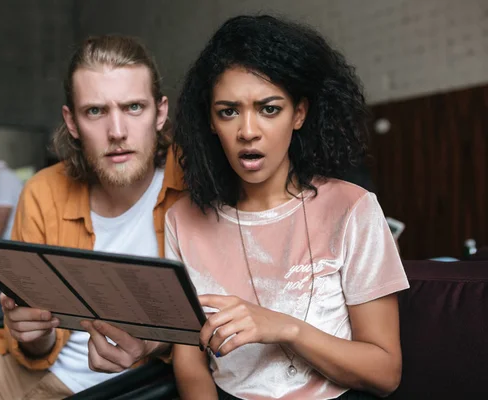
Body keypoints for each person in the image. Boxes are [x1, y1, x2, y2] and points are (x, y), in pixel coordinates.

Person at [0, 34, 183, 399]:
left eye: (134, 107)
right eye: (95, 111)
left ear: (161, 112)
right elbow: (32, 344)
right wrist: (35, 336)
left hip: (122, 388)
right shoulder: (43, 190)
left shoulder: (195, 185)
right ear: (72, 122)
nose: (117, 132)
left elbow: (224, 320)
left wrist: (156, 345)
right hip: (21, 373)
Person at [166, 15, 409, 400]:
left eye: (269, 109)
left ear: (299, 113)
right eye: (228, 111)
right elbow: (190, 361)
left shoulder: (353, 209)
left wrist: (286, 328)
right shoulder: (181, 220)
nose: (248, 131)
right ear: (210, 122)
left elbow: (385, 371)